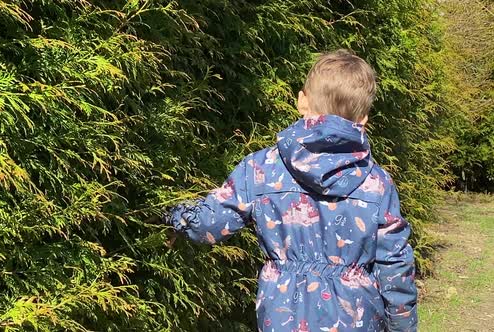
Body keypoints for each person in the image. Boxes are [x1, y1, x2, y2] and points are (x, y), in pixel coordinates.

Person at [163, 49, 418, 331]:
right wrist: (403, 326)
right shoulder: (376, 183)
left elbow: (210, 224)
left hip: (283, 316)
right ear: (364, 119)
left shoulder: (261, 168)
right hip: (357, 318)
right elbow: (395, 266)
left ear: (301, 101)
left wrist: (174, 214)